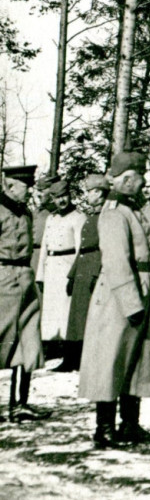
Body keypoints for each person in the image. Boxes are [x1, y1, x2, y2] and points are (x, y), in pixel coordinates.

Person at [78, 150, 150, 447]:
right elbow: (116, 260)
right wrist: (131, 302)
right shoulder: (116, 211)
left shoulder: (131, 207)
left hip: (143, 287)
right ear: (128, 179)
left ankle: (130, 424)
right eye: (140, 177)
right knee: (112, 360)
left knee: (138, 361)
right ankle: (104, 429)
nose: (144, 183)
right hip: (121, 294)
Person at [0, 164, 48, 422]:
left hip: (25, 278)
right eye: (25, 186)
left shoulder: (26, 213)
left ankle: (20, 403)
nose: (29, 191)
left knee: (28, 340)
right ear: (9, 185)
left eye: (30, 186)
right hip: (2, 279)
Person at [35, 176, 85, 361]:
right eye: (57, 197)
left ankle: (68, 352)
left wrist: (74, 274)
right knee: (51, 310)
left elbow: (81, 248)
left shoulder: (78, 217)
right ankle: (51, 346)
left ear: (69, 196)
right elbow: (44, 249)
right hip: (52, 268)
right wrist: (40, 275)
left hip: (67, 265)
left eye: (64, 196)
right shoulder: (51, 218)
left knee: (66, 310)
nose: (61, 200)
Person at [63, 173, 110, 372]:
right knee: (75, 316)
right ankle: (71, 358)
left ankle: (84, 359)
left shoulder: (106, 217)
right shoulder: (91, 216)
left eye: (91, 192)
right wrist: (72, 275)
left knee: (88, 316)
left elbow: (105, 247)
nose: (88, 195)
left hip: (93, 266)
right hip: (82, 267)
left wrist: (95, 273)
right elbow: (82, 247)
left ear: (99, 193)